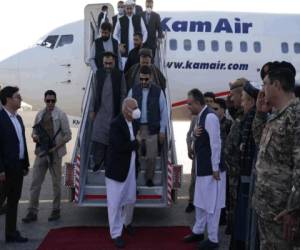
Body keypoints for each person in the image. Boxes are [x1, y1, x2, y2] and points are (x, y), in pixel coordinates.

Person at [252, 61, 300, 249]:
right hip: (268, 209)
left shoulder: (295, 116)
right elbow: (262, 146)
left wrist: (294, 210)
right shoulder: (277, 115)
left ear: (277, 85)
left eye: (265, 84)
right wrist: (259, 114)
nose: (262, 89)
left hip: (283, 214)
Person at [183, 89, 226, 249]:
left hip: (211, 171)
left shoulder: (210, 117)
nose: (187, 106)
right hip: (202, 168)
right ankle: (198, 231)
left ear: (197, 103)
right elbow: (198, 137)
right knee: (200, 202)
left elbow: (216, 143)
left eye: (189, 104)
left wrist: (215, 167)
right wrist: (194, 135)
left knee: (212, 205)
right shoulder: (201, 116)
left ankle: (213, 239)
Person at [22, 90, 71, 223]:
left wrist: (55, 147)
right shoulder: (39, 114)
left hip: (55, 153)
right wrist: (34, 137)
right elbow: (34, 131)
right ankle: (32, 211)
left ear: (56, 101)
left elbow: (68, 135)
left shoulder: (61, 115)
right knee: (35, 183)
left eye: (52, 101)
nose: (50, 103)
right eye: (48, 100)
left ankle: (56, 210)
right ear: (44, 100)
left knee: (56, 183)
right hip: (42, 153)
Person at [105, 97, 140, 248]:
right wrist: (137, 142)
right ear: (125, 110)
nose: (137, 111)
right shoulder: (116, 124)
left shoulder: (135, 122)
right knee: (115, 203)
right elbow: (120, 147)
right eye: (134, 108)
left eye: (137, 107)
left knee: (130, 198)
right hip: (117, 169)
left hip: (130, 168)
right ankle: (116, 233)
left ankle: (127, 223)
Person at [128, 65, 168, 187]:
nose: (143, 82)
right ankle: (134, 179)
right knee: (136, 155)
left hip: (152, 128)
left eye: (146, 79)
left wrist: (162, 130)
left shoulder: (158, 91)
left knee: (151, 156)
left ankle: (149, 179)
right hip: (137, 128)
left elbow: (164, 111)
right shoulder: (133, 90)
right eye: (141, 79)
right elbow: (127, 109)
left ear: (150, 77)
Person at [231, 82, 260, 249]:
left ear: (250, 101)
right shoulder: (248, 119)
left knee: (244, 214)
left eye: (243, 100)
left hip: (248, 174)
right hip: (245, 173)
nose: (241, 104)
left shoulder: (253, 119)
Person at [0, 86, 29, 243]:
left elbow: (22, 143)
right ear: (8, 99)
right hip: (4, 170)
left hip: (17, 168)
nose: (20, 99)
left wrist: (25, 165)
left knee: (13, 202)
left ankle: (11, 233)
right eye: (18, 96)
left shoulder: (18, 118)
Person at [90, 52, 126, 172]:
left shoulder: (120, 75)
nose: (108, 66)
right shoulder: (98, 74)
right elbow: (94, 93)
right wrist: (92, 110)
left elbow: (123, 93)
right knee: (98, 137)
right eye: (106, 63)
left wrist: (122, 112)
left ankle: (108, 164)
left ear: (114, 63)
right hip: (100, 112)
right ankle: (97, 163)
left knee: (112, 140)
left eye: (110, 63)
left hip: (114, 112)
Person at [223, 78, 247, 242]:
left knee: (238, 206)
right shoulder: (239, 113)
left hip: (238, 171)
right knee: (233, 204)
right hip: (232, 170)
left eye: (233, 95)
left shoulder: (247, 117)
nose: (230, 98)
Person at [212, 98, 232, 225]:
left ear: (223, 110)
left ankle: (223, 216)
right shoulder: (212, 123)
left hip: (226, 162)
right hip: (215, 161)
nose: (213, 111)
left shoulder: (229, 124)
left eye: (216, 109)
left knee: (225, 191)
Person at [185, 115, 197, 213]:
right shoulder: (195, 118)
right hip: (197, 155)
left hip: (209, 156)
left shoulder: (212, 117)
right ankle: (191, 202)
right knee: (194, 179)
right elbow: (189, 134)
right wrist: (189, 148)